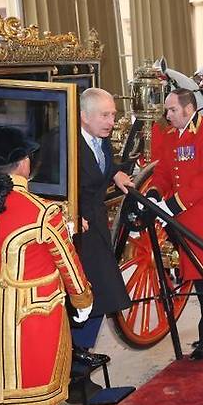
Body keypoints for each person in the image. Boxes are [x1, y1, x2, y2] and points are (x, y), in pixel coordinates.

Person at [0, 127, 93, 405]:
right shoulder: (44, 212)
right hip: (32, 321)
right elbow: (69, 266)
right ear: (23, 163)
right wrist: (82, 298)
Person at [147, 88, 203, 361]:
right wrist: (154, 193)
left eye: (172, 110)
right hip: (186, 216)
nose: (168, 115)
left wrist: (171, 205)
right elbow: (164, 170)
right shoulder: (171, 134)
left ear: (188, 109)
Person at [73, 88, 133, 370]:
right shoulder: (65, 144)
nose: (111, 121)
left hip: (96, 224)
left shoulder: (100, 139)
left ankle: (81, 351)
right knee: (86, 292)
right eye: (104, 115)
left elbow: (100, 167)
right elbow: (47, 183)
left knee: (103, 291)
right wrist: (70, 214)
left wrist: (115, 171)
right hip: (75, 231)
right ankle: (75, 354)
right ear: (84, 116)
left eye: (113, 115)